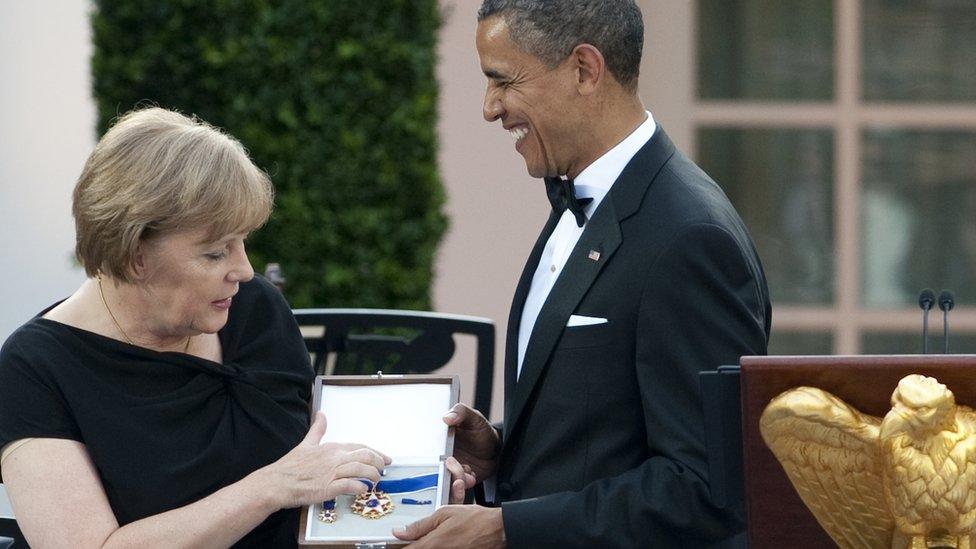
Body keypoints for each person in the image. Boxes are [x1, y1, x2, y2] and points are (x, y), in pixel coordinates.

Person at [395, 1, 771, 547]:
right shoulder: (582, 199)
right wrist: (501, 451)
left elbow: (706, 489)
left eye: (502, 81)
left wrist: (507, 529)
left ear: (584, 70)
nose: (489, 108)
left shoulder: (690, 238)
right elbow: (610, 433)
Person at [0, 108, 390, 548]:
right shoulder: (33, 369)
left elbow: (318, 470)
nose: (243, 270)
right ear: (135, 255)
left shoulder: (253, 309)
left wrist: (406, 483)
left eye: (243, 243)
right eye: (215, 253)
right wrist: (268, 489)